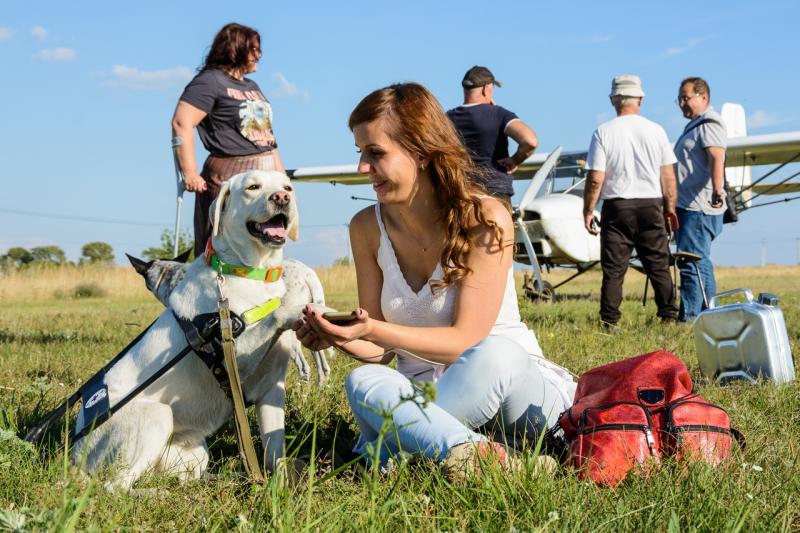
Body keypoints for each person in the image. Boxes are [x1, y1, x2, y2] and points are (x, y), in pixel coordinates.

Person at [292, 83, 574, 477]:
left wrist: (373, 329)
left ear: (421, 152)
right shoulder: (365, 228)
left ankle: (373, 457)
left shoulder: (486, 216)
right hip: (426, 396)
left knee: (495, 353)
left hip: (515, 399)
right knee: (365, 379)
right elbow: (380, 352)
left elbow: (464, 342)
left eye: (375, 153)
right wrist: (342, 336)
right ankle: (485, 456)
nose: (361, 167)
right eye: (360, 153)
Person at [171, 22, 285, 258]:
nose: (259, 55)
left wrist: (282, 179)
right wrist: (190, 173)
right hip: (230, 173)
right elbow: (182, 122)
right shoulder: (210, 81)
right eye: (253, 49)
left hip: (265, 169)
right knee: (220, 247)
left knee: (267, 245)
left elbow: (267, 138)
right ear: (236, 49)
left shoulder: (252, 86)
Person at [582, 74, 679, 327]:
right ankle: (668, 315)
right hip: (651, 203)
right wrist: (669, 209)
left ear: (614, 99)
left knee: (614, 269)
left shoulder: (602, 132)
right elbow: (668, 177)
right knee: (658, 264)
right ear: (640, 99)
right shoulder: (657, 131)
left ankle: (610, 321)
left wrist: (588, 210)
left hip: (617, 206)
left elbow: (595, 178)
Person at [446, 66, 539, 208]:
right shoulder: (499, 114)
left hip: (461, 193)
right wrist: (515, 160)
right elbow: (530, 141)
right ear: (486, 88)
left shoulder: (447, 118)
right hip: (495, 191)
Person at [674, 77, 727, 322]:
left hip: (697, 207)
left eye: (686, 98)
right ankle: (709, 314)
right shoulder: (697, 125)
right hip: (691, 207)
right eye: (680, 99)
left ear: (703, 97)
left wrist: (718, 189)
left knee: (691, 261)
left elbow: (717, 157)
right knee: (699, 260)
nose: (682, 103)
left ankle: (692, 316)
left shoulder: (709, 123)